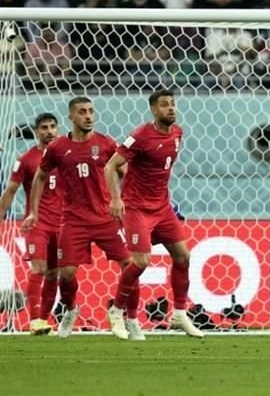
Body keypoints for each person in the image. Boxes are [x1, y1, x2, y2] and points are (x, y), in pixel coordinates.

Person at [23, 97, 133, 340]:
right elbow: (41, 177)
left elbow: (125, 171)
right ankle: (71, 310)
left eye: (91, 111)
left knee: (130, 264)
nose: (88, 116)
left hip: (104, 217)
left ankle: (118, 311)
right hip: (73, 220)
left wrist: (118, 198)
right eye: (82, 112)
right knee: (66, 274)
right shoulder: (58, 148)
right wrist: (34, 211)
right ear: (71, 117)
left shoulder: (105, 143)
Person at [103, 91, 205, 341]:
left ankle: (180, 313)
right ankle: (116, 310)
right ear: (153, 110)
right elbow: (110, 166)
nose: (170, 108)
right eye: (164, 105)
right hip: (137, 208)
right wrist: (116, 198)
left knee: (183, 256)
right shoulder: (140, 136)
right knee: (141, 261)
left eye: (172, 104)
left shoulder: (177, 133)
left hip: (162, 207)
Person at [0, 113, 60, 335]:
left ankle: (44, 320)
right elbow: (10, 191)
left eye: (53, 126)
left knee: (55, 274)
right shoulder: (25, 160)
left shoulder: (67, 155)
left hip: (64, 224)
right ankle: (34, 320)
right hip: (37, 223)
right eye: (44, 127)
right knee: (39, 268)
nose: (49, 131)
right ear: (36, 132)